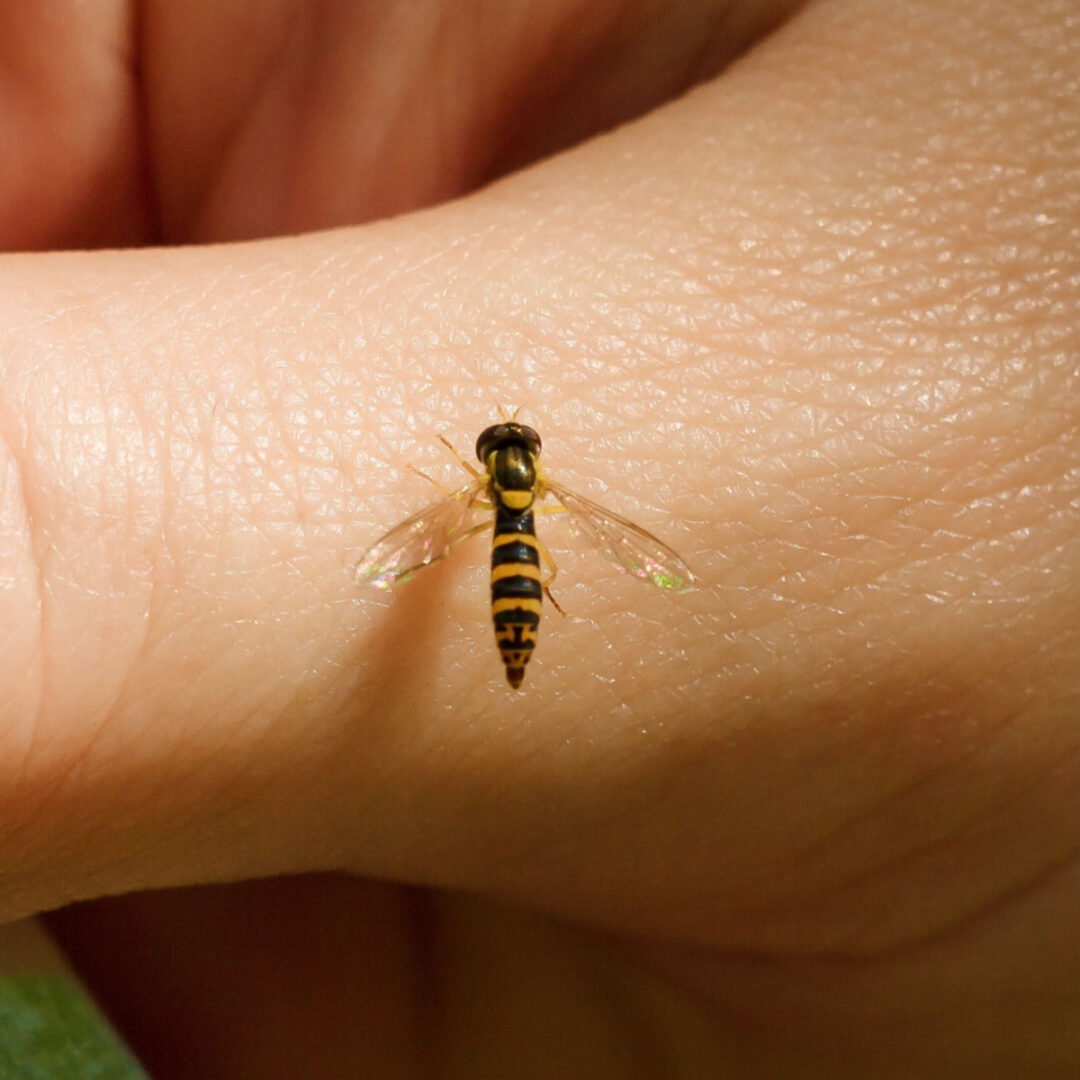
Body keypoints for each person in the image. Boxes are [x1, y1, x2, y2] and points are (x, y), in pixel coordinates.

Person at [2, 0, 1078, 1075]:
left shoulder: (470, 498)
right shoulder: (542, 498)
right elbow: (618, 553)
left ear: (490, 463)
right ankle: (524, 634)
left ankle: (518, 633)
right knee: (526, 568)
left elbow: (420, 541)